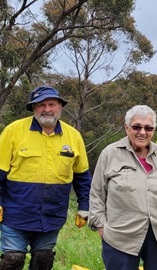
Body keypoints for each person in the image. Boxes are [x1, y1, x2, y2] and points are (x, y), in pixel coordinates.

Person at [0, 86, 92, 270]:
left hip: (52, 214)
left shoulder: (73, 136)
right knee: (13, 259)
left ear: (60, 107)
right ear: (33, 108)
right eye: (41, 105)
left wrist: (84, 206)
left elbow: (82, 177)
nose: (47, 109)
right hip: (15, 213)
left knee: (43, 259)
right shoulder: (13, 131)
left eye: (51, 104)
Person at [88, 105, 157, 270]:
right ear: (127, 128)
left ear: (153, 130)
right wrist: (101, 226)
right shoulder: (109, 154)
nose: (142, 132)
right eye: (137, 127)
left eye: (148, 128)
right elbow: (97, 193)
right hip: (121, 236)